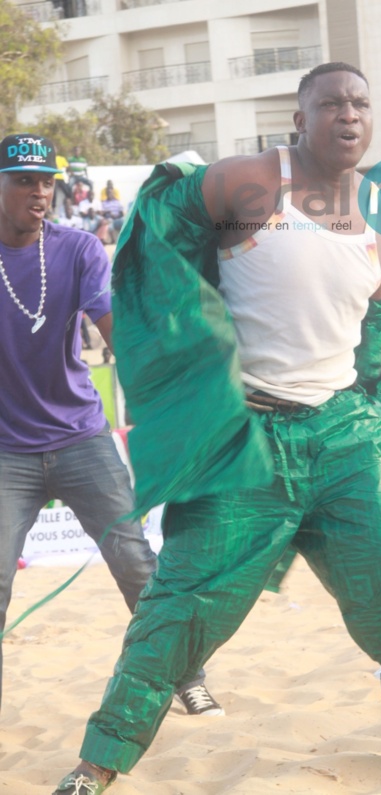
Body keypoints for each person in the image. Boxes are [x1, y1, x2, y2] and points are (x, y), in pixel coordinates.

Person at [53, 63, 381, 795]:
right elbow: (156, 231)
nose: (349, 115)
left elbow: (374, 328)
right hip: (247, 443)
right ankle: (95, 765)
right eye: (331, 104)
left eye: (361, 105)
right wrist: (185, 375)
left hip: (344, 438)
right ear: (299, 121)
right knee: (178, 608)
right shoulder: (250, 181)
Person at [0, 133, 222, 720]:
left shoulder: (77, 250)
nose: (39, 191)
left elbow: (116, 329)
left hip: (80, 438)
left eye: (46, 180)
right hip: (6, 453)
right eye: (24, 180)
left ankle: (185, 675)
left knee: (133, 561)